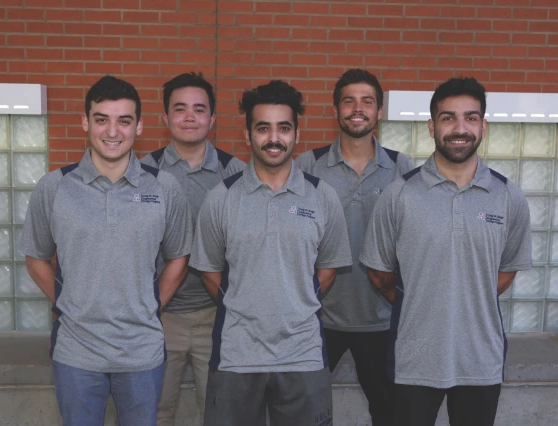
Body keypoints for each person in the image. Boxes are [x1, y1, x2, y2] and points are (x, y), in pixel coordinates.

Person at [21, 75, 193, 426]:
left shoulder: (163, 187)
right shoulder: (55, 187)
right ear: (85, 121)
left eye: (124, 121)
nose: (112, 131)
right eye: (101, 119)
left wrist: (152, 304)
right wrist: (64, 301)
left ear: (139, 126)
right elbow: (35, 257)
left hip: (141, 352)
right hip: (76, 353)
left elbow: (179, 257)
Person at [361, 77, 532, 426]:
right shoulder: (399, 195)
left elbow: (506, 269)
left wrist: (467, 296)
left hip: (480, 363)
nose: (460, 128)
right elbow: (379, 273)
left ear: (483, 126)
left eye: (470, 118)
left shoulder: (508, 196)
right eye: (448, 117)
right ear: (431, 126)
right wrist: (424, 299)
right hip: (414, 360)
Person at [189, 80, 352, 426]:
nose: (274, 138)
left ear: (296, 133)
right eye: (263, 128)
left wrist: (297, 303)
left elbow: (329, 268)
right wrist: (244, 304)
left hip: (303, 356)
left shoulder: (322, 197)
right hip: (236, 356)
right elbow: (208, 271)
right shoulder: (221, 198)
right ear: (248, 135)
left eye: (283, 128)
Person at [296, 69, 413, 426]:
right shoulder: (307, 166)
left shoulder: (400, 167)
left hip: (381, 318)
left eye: (367, 101)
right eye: (349, 100)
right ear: (336, 110)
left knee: (389, 413)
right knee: (304, 411)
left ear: (379, 112)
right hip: (317, 317)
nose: (357, 108)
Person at [140, 72, 245, 426]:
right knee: (155, 411)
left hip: (217, 317)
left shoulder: (238, 175)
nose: (189, 117)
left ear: (212, 119)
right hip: (157, 318)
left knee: (218, 413)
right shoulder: (141, 173)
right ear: (165, 117)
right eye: (180, 108)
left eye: (199, 109)